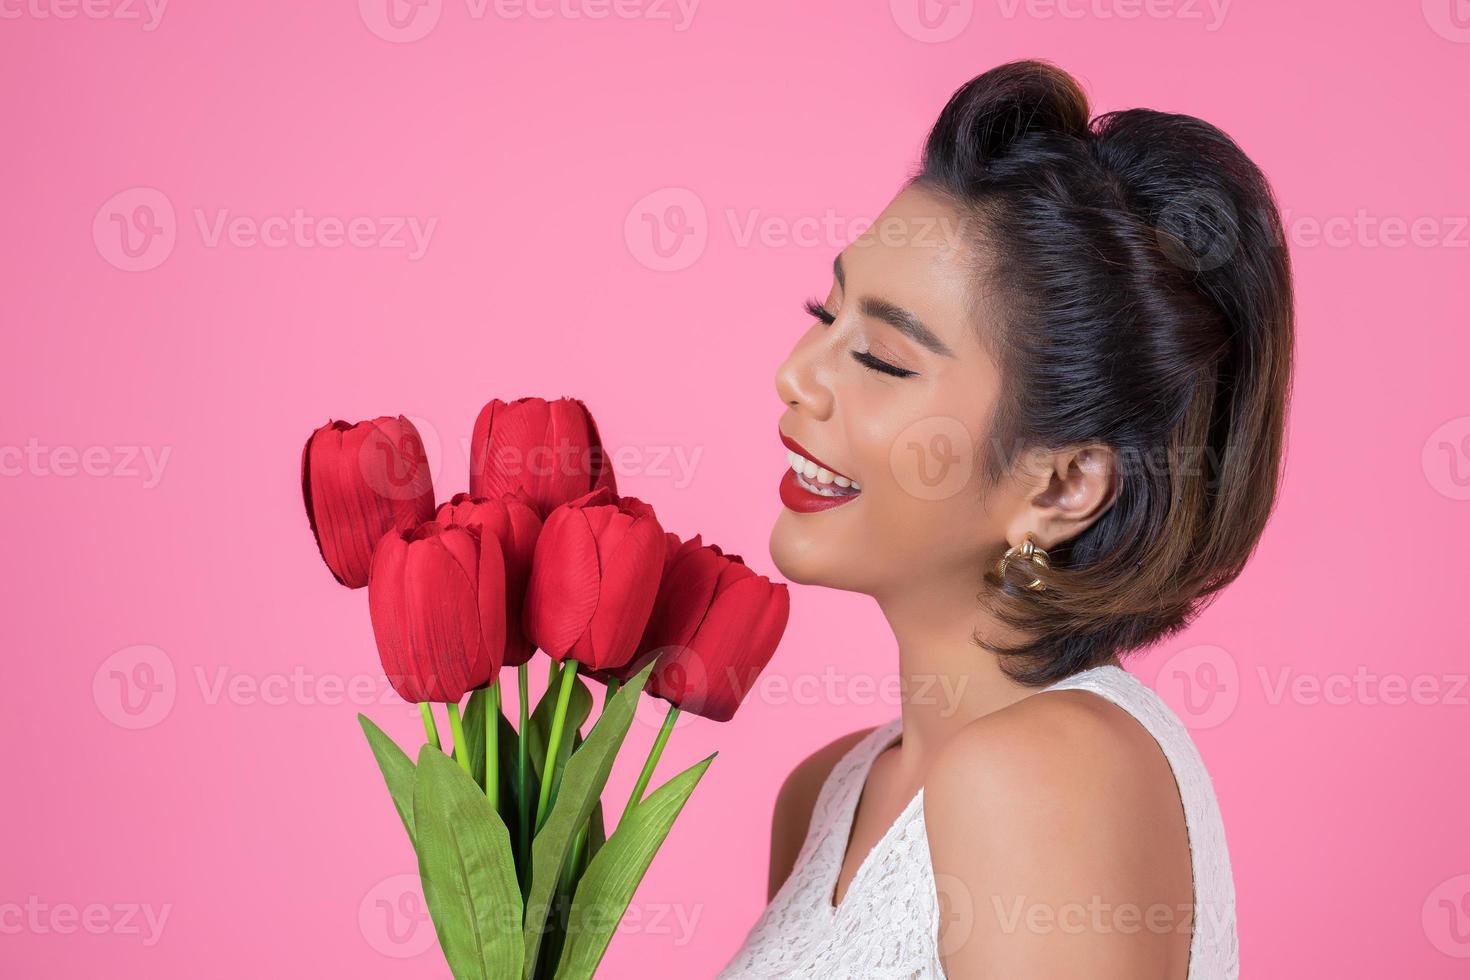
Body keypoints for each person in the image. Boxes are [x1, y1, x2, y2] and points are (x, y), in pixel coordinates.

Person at [718, 59, 1293, 979]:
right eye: (822, 313)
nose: (798, 375)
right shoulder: (827, 795)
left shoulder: (1043, 773)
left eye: (881, 357)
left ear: (1063, 484)